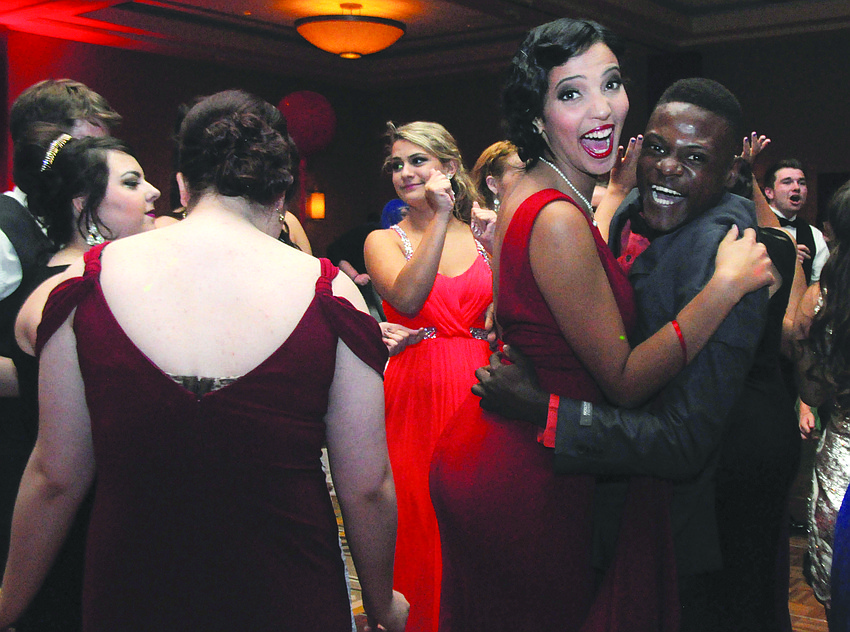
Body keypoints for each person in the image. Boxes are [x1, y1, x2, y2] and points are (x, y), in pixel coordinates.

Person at [0, 90, 408, 632]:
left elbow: (55, 475)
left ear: (182, 184)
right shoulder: (330, 293)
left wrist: (9, 601)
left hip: (132, 592)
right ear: (282, 190)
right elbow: (367, 483)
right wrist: (382, 604)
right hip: (287, 591)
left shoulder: (80, 287)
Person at [430, 24, 772, 631]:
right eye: (571, 94)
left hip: (513, 454)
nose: (602, 109)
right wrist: (722, 289)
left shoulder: (536, 189)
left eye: (611, 84)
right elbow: (624, 379)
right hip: (527, 479)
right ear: (536, 116)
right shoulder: (558, 216)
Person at [2, 126, 160, 631]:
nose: (153, 192)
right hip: (86, 527)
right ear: (82, 204)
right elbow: (57, 470)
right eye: (133, 183)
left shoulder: (114, 281)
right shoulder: (69, 293)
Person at [363, 120, 491, 632]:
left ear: (450, 168)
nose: (405, 172)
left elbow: (506, 313)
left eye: (418, 161)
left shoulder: (484, 233)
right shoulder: (383, 240)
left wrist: (497, 246)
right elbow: (409, 298)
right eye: (396, 164)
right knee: (420, 519)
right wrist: (439, 219)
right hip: (416, 390)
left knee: (480, 520)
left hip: (482, 389)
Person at [794, 179, 850, 628]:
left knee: (837, 582)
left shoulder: (824, 300)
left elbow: (811, 381)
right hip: (840, 448)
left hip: (840, 452)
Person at [765, 158, 828, 285]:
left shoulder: (814, 235)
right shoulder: (752, 226)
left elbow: (819, 285)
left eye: (802, 183)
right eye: (787, 182)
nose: (796, 188)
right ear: (769, 192)